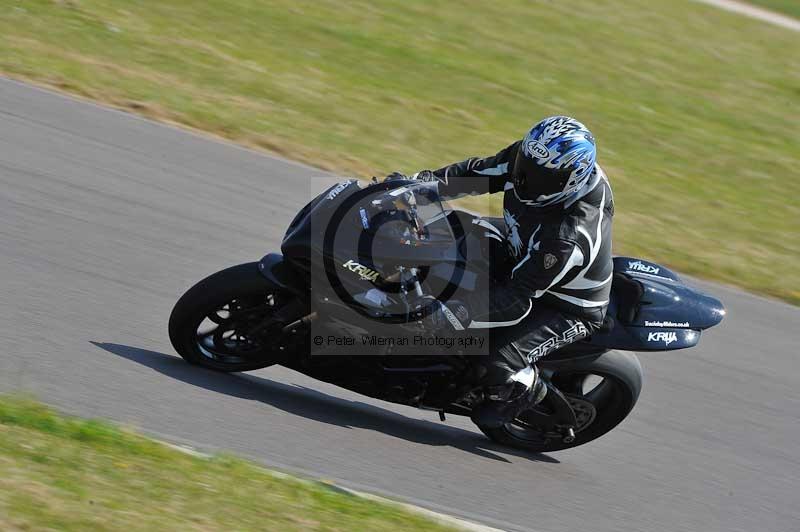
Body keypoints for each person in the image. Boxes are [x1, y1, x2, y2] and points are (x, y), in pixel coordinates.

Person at [389, 116, 614, 428]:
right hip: (521, 249)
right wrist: (418, 187)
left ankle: (526, 389)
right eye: (527, 166)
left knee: (491, 362)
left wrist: (449, 315)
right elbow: (475, 174)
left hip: (564, 304)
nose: (526, 179)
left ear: (570, 180)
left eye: (542, 178)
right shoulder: (532, 158)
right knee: (442, 232)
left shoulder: (568, 237)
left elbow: (516, 298)